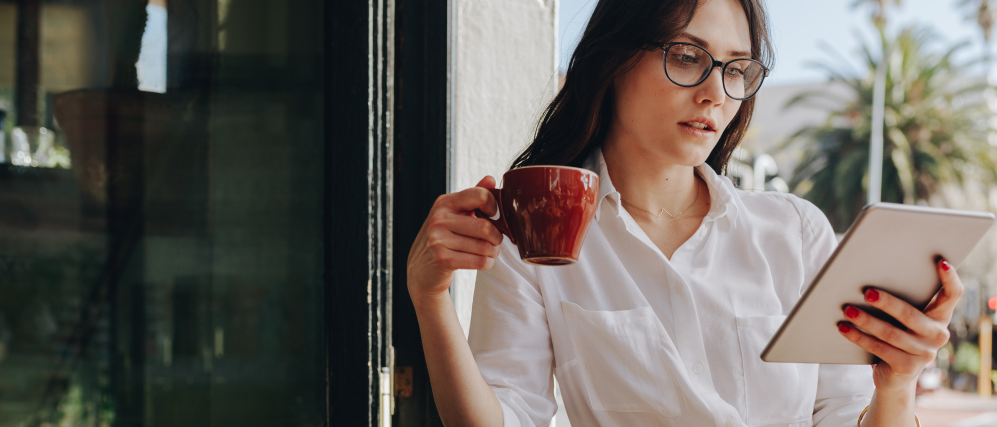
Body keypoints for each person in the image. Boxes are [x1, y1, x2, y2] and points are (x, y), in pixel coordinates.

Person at [406, 0, 961, 425]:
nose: (716, 93)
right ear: (614, 61)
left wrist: (895, 386)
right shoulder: (536, 233)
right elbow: (505, 417)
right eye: (688, 57)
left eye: (737, 69)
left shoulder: (793, 232)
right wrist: (431, 301)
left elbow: (843, 414)